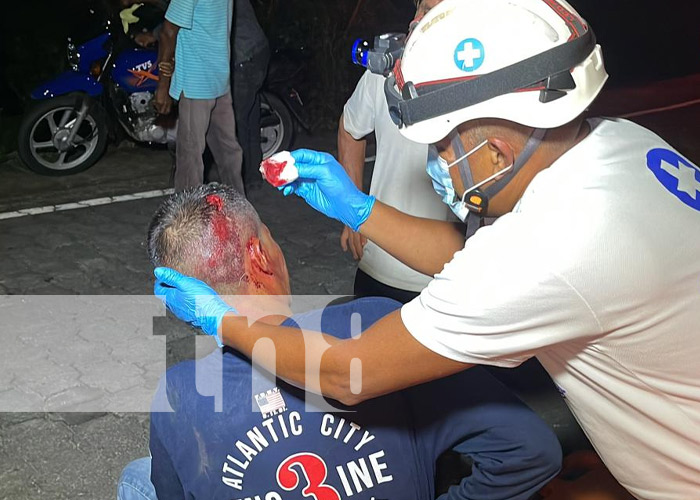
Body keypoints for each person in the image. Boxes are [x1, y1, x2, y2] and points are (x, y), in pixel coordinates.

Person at [153, 0, 700, 498]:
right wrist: (359, 209)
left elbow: (348, 374)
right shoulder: (622, 144)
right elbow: (472, 259)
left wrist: (220, 319)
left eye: (442, 143)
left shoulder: (550, 247)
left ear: (496, 149)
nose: (436, 160)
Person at [118, 183, 561, 500]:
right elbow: (532, 450)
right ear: (259, 257)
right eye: (271, 239)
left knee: (141, 478)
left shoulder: (179, 394)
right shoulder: (374, 323)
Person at [338, 0, 457, 304]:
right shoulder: (385, 72)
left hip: (449, 279)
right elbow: (350, 128)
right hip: (377, 264)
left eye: (430, 11)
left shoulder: (484, 82)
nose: (416, 21)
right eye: (418, 8)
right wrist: (352, 210)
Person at [154, 0, 244, 193]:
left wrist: (163, 85)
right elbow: (170, 30)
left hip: (202, 83)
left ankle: (191, 219)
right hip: (215, 79)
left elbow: (168, 31)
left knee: (192, 161)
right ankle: (238, 213)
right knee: (228, 155)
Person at [231, 0, 270, 192]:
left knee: (239, 122)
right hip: (259, 51)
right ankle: (253, 175)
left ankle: (244, 179)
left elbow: (179, 18)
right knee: (250, 117)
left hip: (244, 56)